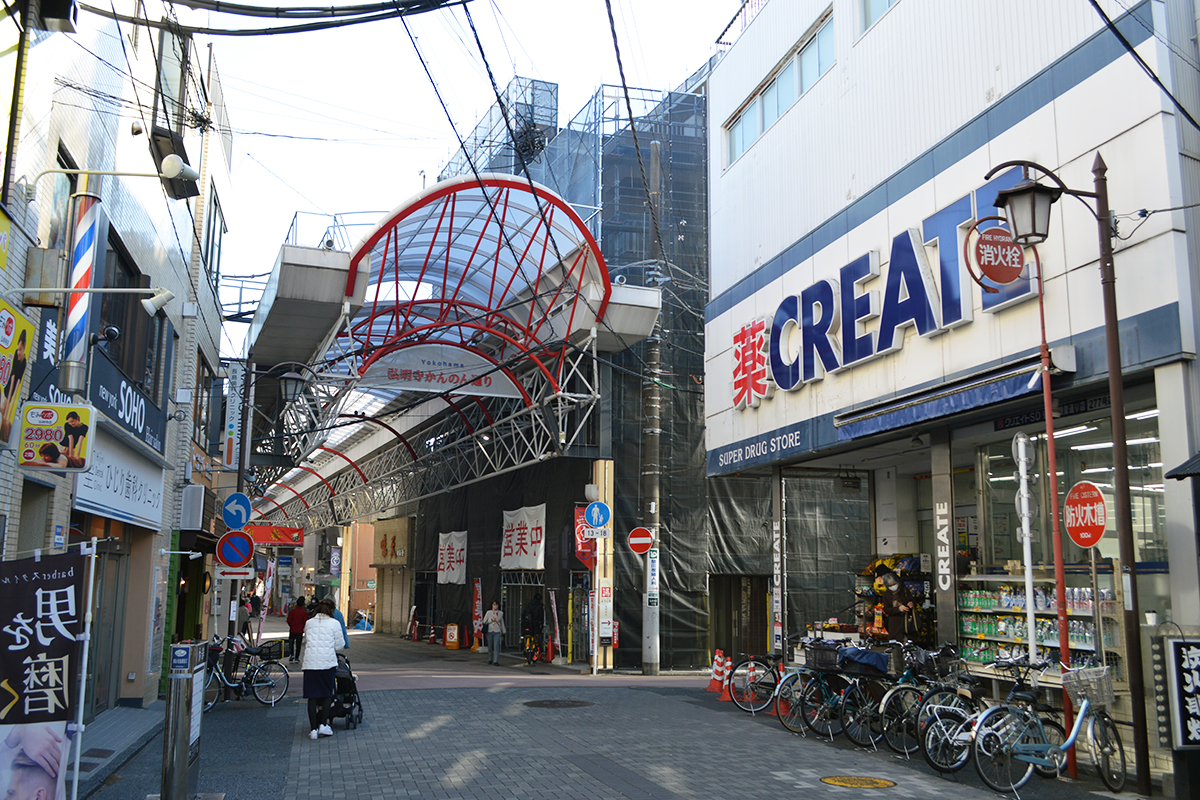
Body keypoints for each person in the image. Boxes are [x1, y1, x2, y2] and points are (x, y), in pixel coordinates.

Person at [300, 598, 344, 740]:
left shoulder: (309, 623)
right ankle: (323, 726)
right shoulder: (334, 623)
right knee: (326, 694)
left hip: (310, 663)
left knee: (312, 696)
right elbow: (339, 646)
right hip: (327, 663)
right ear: (332, 610)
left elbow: (307, 640)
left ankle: (313, 729)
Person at [1, 329, 28, 443]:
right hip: (8, 385)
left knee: (4, 408)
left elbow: (18, 382)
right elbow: (12, 377)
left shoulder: (24, 362)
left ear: (24, 347)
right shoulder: (16, 357)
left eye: (21, 350)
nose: (18, 352)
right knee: (2, 408)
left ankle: (4, 428)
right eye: (18, 349)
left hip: (13, 389)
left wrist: (12, 399)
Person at [875, 564, 916, 640]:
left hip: (907, 622)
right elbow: (887, 609)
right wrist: (898, 609)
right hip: (894, 625)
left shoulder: (905, 591)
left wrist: (911, 603)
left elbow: (912, 600)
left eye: (894, 584)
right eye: (890, 585)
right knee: (896, 644)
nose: (893, 586)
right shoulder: (886, 595)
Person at [482, 601, 505, 665]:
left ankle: (496, 661)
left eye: (496, 605)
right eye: (494, 605)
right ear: (492, 605)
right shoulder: (488, 613)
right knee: (490, 646)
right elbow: (484, 621)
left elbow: (502, 622)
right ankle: (490, 659)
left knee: (496, 646)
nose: (495, 606)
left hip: (497, 631)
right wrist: (491, 620)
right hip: (489, 630)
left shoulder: (500, 613)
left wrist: (504, 630)